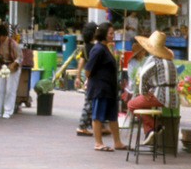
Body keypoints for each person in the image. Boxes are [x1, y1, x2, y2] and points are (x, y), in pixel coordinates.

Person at [127, 31, 179, 146]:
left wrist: (144, 92)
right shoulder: (170, 62)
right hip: (173, 97)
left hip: (160, 95)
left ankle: (156, 125)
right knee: (144, 104)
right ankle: (148, 131)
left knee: (131, 104)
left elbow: (143, 75)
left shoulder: (154, 59)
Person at [85, 22, 125, 151]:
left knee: (112, 117)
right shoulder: (97, 49)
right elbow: (88, 70)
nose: (113, 36)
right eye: (111, 33)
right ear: (103, 34)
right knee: (98, 116)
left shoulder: (105, 48)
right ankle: (98, 142)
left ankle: (117, 142)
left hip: (110, 89)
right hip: (100, 89)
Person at [0, 24, 21, 119]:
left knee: (10, 90)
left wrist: (14, 64)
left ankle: (8, 111)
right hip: (3, 67)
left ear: (3, 35)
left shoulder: (13, 43)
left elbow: (19, 57)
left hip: (13, 68)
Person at [76, 21, 98, 136]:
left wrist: (78, 76)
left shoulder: (85, 48)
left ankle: (91, 124)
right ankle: (82, 126)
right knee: (89, 102)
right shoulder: (95, 48)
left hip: (87, 76)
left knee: (91, 101)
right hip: (92, 77)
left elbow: (81, 61)